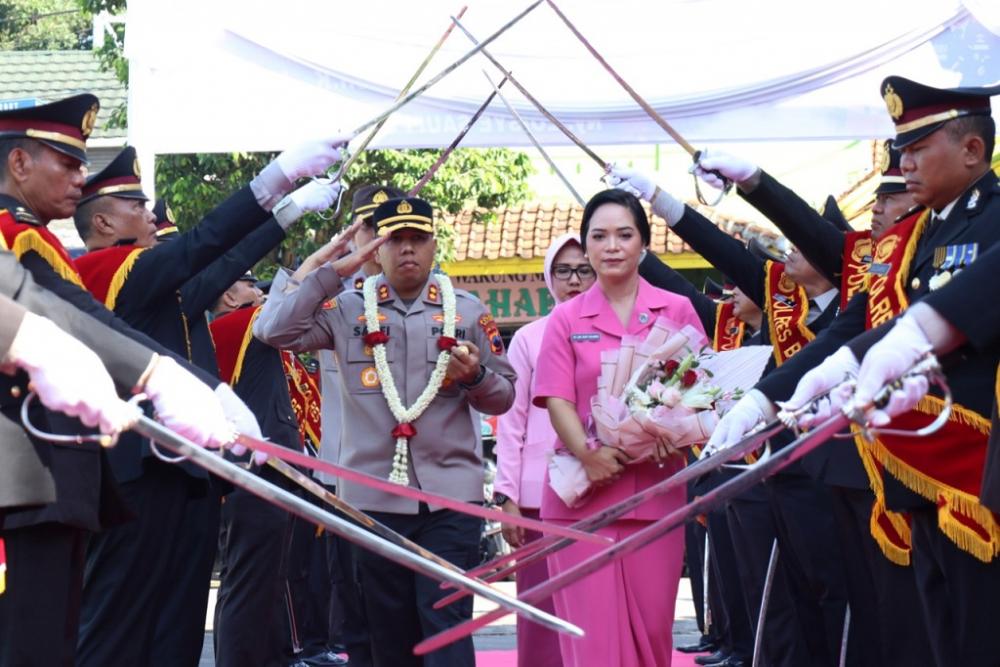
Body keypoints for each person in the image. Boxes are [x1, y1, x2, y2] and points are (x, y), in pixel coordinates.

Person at [708, 76, 1000, 667]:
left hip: (978, 481)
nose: (904, 161)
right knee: (936, 641)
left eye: (919, 148)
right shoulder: (911, 238)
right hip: (913, 478)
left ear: (972, 150)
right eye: (901, 148)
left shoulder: (995, 220)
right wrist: (765, 400)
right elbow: (853, 328)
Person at [70, 142, 343, 666]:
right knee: (117, 626)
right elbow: (203, 242)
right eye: (135, 206)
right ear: (103, 222)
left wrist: (286, 213)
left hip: (182, 469)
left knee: (178, 624)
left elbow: (224, 264)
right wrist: (276, 177)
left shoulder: (147, 278)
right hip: (136, 472)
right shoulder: (111, 269)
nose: (149, 214)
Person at [0, 95, 240, 666]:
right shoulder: (14, 236)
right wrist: (166, 378)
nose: (79, 177)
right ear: (19, 164)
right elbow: (76, 320)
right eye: (68, 162)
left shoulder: (39, 240)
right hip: (26, 477)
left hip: (57, 479)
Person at [254, 195, 516, 667]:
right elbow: (273, 331)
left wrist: (474, 377)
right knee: (385, 629)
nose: (408, 250)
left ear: (435, 246)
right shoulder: (346, 308)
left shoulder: (468, 312)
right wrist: (333, 270)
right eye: (396, 239)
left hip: (450, 499)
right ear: (378, 248)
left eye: (419, 239)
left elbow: (505, 396)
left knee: (445, 621)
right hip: (372, 499)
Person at [531, 188, 705, 666]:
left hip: (655, 494)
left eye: (624, 235)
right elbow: (557, 398)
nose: (611, 246)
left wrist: (678, 431)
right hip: (580, 501)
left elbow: (699, 388)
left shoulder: (677, 310)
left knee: (651, 636)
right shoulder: (565, 319)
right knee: (594, 645)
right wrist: (589, 455)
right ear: (585, 248)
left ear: (644, 245)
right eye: (599, 236)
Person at [494, 231, 595, 667]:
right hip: (539, 494)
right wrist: (507, 497)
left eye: (583, 270)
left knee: (595, 605)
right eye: (563, 270)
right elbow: (511, 422)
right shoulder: (529, 339)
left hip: (602, 484)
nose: (574, 280)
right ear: (548, 277)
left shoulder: (613, 333)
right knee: (540, 609)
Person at [209, 273, 304, 667]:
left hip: (264, 472)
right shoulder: (238, 323)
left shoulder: (234, 327)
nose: (259, 292)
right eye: (250, 285)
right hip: (258, 472)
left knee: (266, 578)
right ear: (229, 295)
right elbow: (295, 299)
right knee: (249, 581)